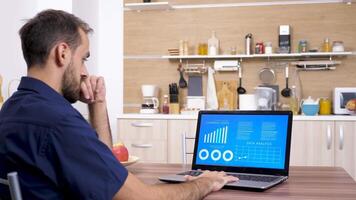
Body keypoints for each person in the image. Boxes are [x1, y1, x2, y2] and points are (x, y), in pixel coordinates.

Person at [0, 9, 237, 200]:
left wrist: (98, 104)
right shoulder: (58, 122)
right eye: (83, 59)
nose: (85, 72)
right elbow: (142, 198)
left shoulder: (11, 110)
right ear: (62, 53)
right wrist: (205, 182)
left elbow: (107, 172)